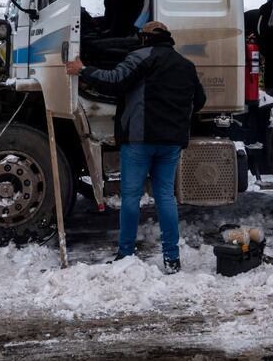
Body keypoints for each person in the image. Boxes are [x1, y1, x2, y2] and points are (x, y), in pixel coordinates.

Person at [65, 21, 205, 273]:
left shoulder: (142, 56)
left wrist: (82, 70)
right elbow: (201, 100)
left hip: (140, 140)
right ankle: (172, 259)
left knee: (131, 197)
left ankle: (126, 254)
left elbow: (114, 80)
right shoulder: (186, 65)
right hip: (171, 142)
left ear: (145, 38)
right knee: (165, 197)